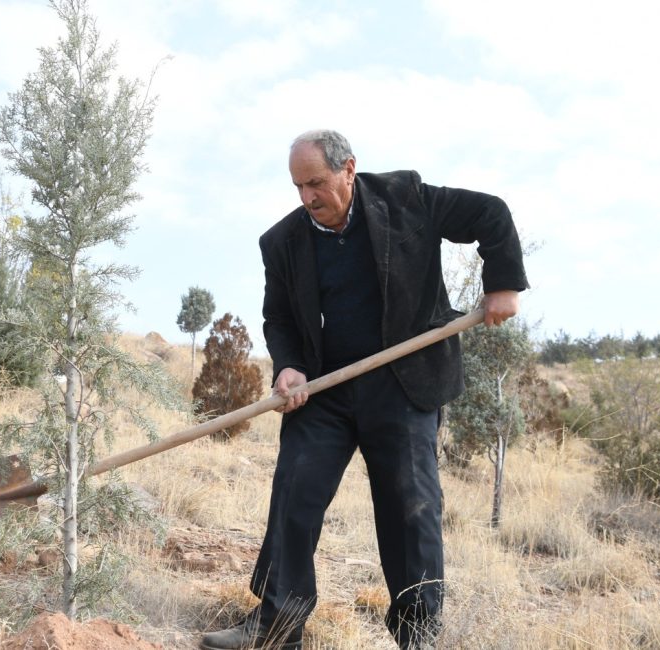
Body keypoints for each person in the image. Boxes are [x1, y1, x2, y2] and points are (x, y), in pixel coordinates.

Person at [199, 130, 528, 650]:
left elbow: (491, 213)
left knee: (410, 506)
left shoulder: (406, 198)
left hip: (404, 383)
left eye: (317, 182)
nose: (308, 197)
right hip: (326, 389)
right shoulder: (282, 242)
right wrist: (289, 368)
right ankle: (278, 625)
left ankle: (418, 634)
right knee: (295, 490)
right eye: (298, 186)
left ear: (349, 169)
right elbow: (279, 317)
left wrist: (503, 283)